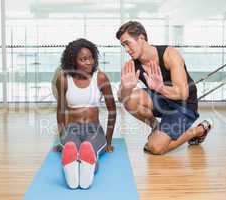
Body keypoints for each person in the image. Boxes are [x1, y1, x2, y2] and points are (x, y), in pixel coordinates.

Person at [116, 21, 211, 155]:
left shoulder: (169, 54)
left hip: (184, 106)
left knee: (155, 148)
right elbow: (121, 98)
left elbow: (183, 94)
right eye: (123, 45)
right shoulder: (133, 65)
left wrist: (159, 87)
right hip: (162, 101)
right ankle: (155, 126)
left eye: (127, 43)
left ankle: (199, 130)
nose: (126, 49)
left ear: (141, 38)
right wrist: (126, 88)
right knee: (129, 98)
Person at [54, 38, 116, 189]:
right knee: (71, 149)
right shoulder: (63, 79)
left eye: (91, 58)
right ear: (73, 62)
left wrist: (108, 140)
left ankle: (86, 171)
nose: (89, 62)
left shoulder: (100, 78)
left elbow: (112, 110)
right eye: (83, 59)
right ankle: (73, 176)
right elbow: (60, 110)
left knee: (89, 148)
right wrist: (61, 136)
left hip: (93, 129)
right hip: (71, 129)